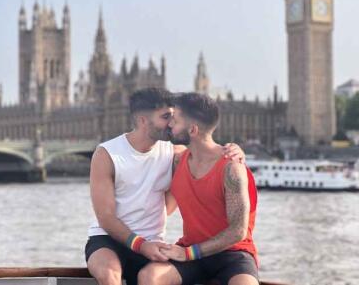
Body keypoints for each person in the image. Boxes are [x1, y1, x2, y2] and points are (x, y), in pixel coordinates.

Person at [85, 88, 244, 285]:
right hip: (108, 240)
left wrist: (232, 150)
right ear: (143, 120)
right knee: (110, 276)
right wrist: (141, 245)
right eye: (165, 117)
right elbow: (105, 217)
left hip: (153, 243)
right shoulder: (107, 154)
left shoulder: (175, 154)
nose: (172, 123)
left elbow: (205, 158)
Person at [138, 92, 258, 285]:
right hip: (191, 253)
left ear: (192, 130)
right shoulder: (177, 159)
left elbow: (238, 231)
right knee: (149, 277)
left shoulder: (232, 168)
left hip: (232, 254)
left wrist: (187, 253)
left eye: (175, 121)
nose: (169, 125)